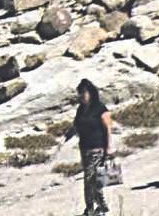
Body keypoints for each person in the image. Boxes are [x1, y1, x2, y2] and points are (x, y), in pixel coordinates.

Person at [71, 78, 112, 214]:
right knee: (94, 180)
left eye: (84, 92)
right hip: (84, 149)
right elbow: (76, 125)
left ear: (91, 93)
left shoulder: (100, 108)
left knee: (90, 180)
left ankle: (91, 208)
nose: (82, 96)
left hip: (97, 149)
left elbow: (108, 128)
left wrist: (109, 147)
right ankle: (100, 206)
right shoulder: (81, 109)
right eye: (80, 93)